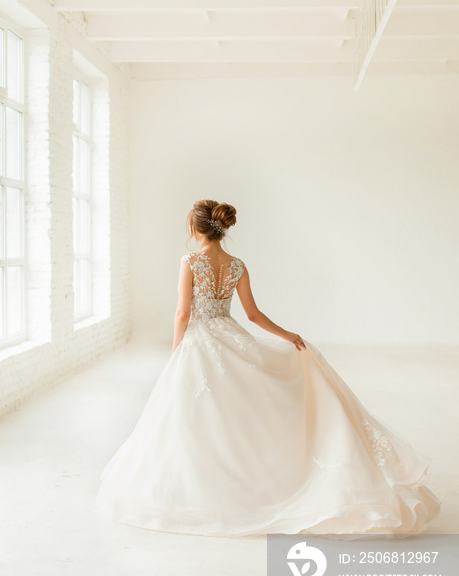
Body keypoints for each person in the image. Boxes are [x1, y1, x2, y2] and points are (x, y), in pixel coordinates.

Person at [96, 199, 441, 538]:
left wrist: (176, 351)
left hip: (200, 342)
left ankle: (206, 483)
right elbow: (253, 314)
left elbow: (182, 314)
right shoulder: (237, 265)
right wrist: (287, 335)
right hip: (229, 336)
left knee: (195, 414)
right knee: (237, 409)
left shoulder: (190, 261)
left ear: (194, 228)